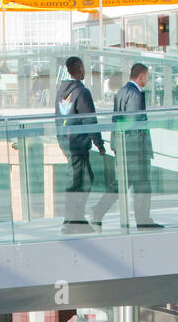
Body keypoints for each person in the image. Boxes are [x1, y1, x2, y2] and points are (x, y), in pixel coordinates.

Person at [55, 57, 110, 234]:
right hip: (77, 143)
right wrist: (99, 143)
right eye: (83, 67)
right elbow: (90, 120)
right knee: (80, 181)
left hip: (67, 141)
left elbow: (58, 118)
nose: (84, 70)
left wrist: (61, 141)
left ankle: (75, 218)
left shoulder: (61, 91)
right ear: (79, 69)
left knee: (82, 179)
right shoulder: (81, 92)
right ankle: (72, 220)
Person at [111, 62, 161, 228]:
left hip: (123, 146)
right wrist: (141, 150)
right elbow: (135, 124)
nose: (148, 80)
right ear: (141, 76)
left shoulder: (122, 91)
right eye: (147, 76)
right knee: (142, 184)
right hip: (135, 149)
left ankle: (99, 210)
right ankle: (143, 219)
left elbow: (116, 119)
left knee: (123, 183)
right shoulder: (136, 95)